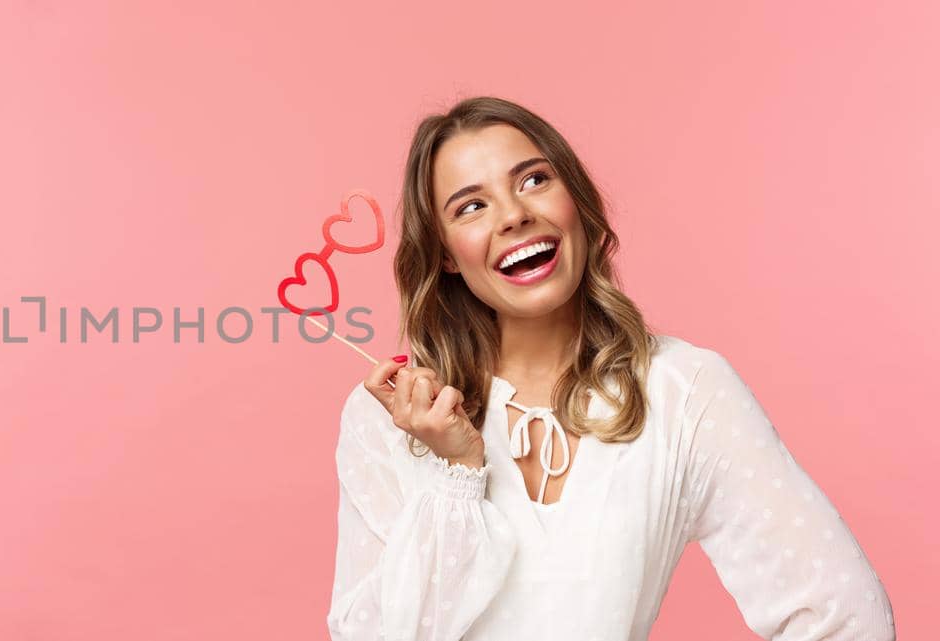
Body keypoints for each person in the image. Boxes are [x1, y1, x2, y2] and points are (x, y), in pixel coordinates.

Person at [325, 96, 894, 641]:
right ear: (445, 252)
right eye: (471, 206)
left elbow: (845, 616)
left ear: (575, 200)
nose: (515, 215)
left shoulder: (684, 391)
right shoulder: (389, 417)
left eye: (533, 180)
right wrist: (457, 474)